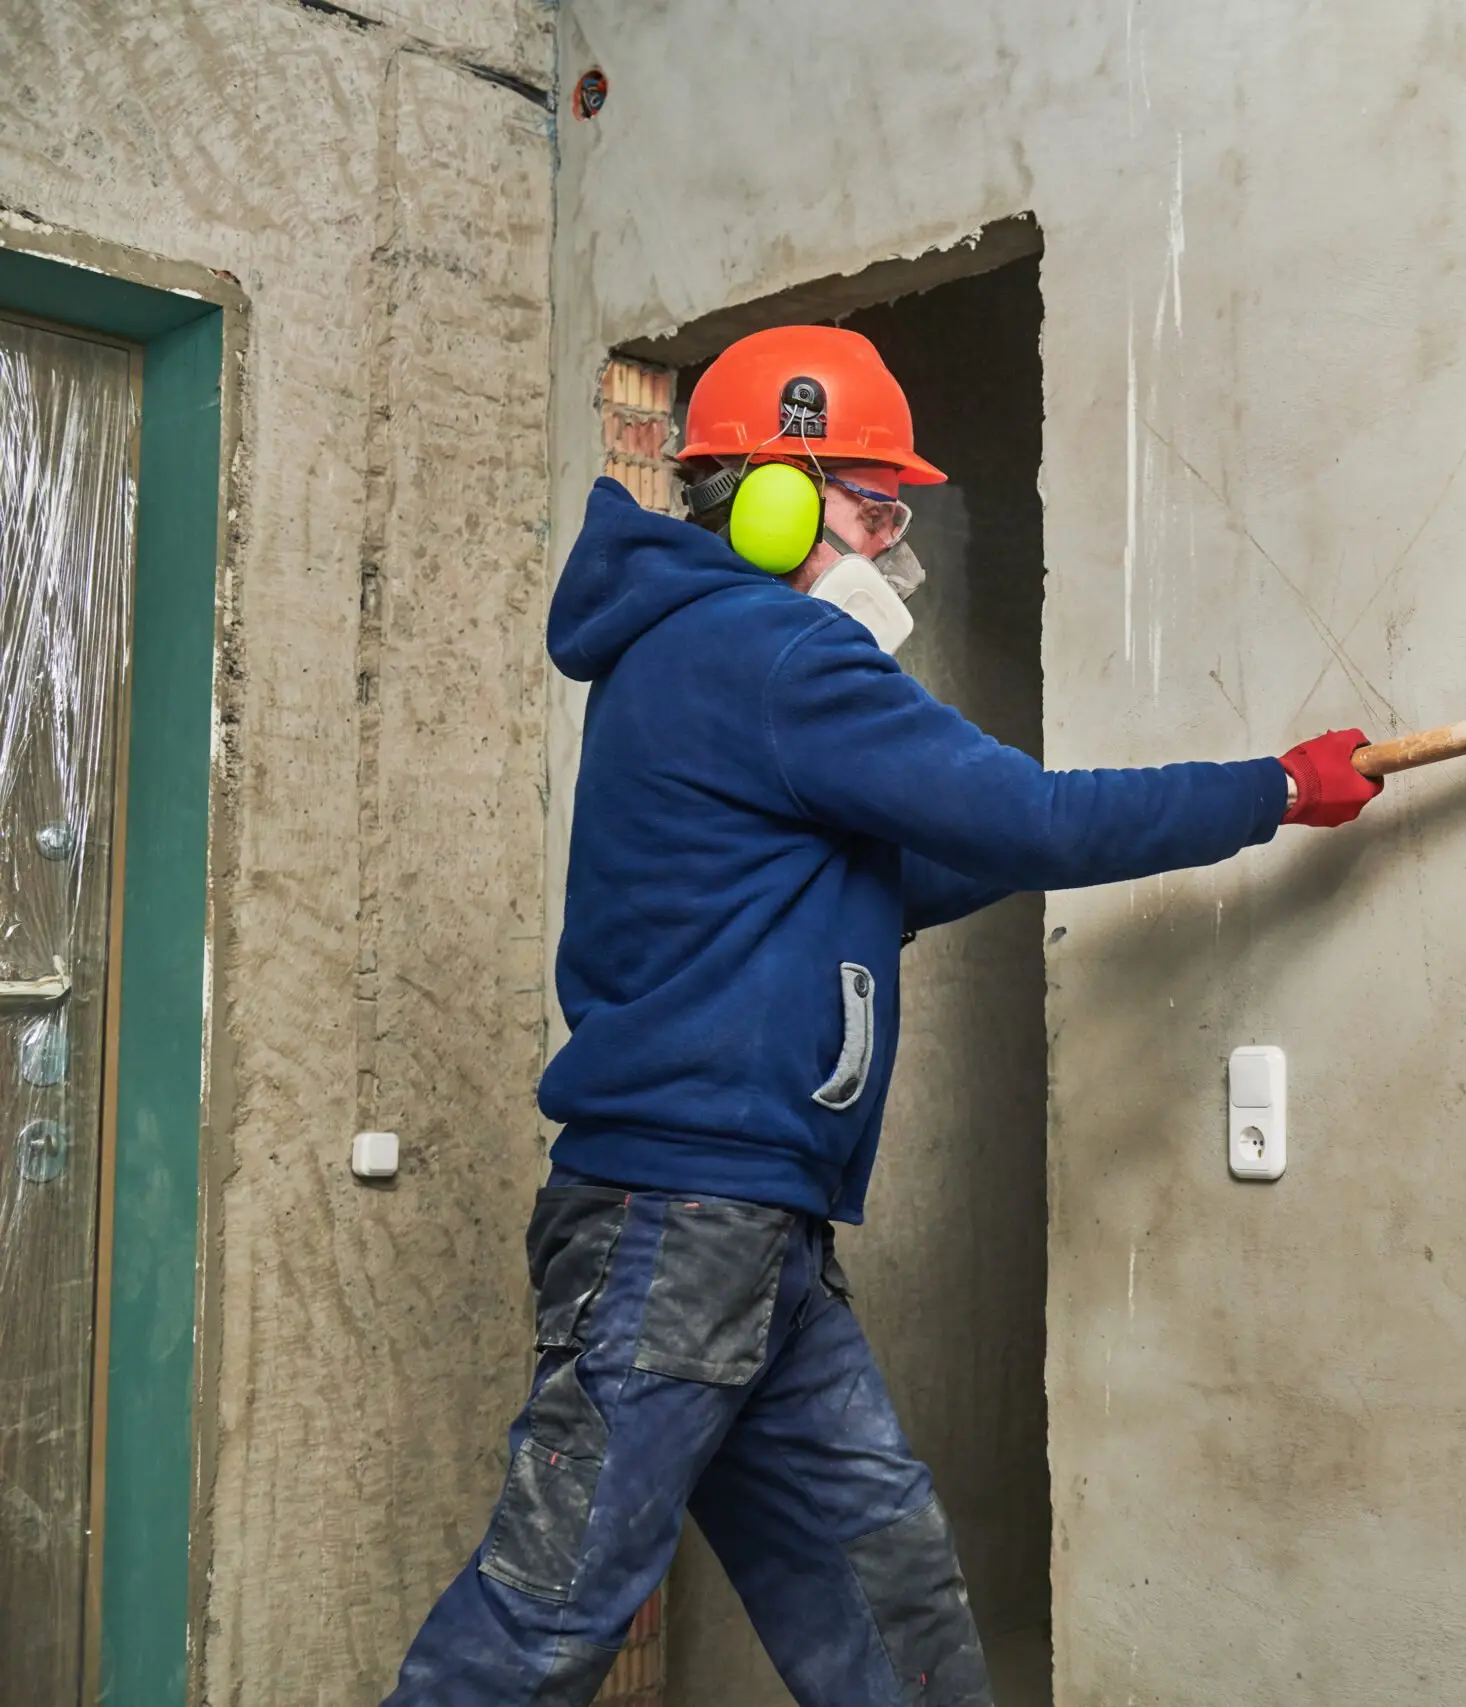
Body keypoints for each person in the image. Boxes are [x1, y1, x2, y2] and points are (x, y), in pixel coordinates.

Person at [386, 326, 1382, 1705]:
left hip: (751, 1234)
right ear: (776, 494)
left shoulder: (692, 658)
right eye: (873, 505)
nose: (894, 546)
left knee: (887, 1597)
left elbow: (901, 875)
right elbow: (1030, 816)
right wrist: (1267, 789)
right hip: (679, 1220)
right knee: (544, 1622)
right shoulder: (774, 652)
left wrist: (1114, 827)